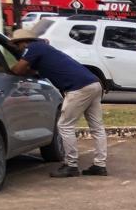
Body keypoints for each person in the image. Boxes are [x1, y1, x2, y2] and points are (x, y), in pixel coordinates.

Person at [8, 28, 108, 178]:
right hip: (94, 83)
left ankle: (71, 165)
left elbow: (18, 70)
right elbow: (31, 71)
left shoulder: (33, 48)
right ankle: (100, 165)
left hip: (78, 88)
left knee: (64, 125)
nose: (18, 49)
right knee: (97, 127)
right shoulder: (44, 49)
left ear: (24, 42)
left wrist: (4, 68)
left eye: (17, 45)